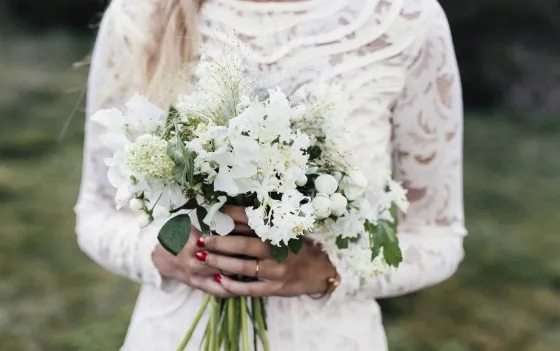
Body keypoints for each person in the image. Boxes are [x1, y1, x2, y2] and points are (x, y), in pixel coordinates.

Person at [74, 0, 467, 350]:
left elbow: (441, 235)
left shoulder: (407, 19)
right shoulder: (140, 13)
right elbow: (95, 211)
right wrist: (161, 254)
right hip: (173, 333)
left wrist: (329, 271)